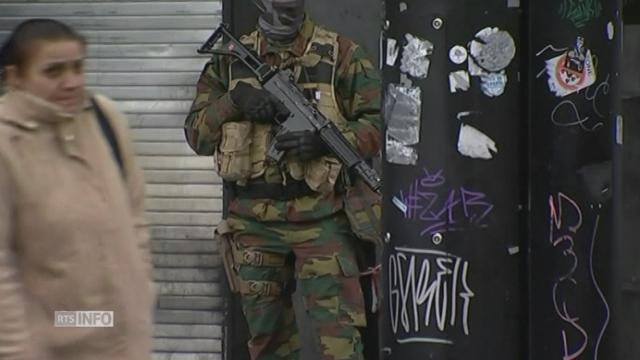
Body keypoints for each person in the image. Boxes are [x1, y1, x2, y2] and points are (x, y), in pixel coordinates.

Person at [184, 1, 382, 359]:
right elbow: (197, 136)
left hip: (323, 220)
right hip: (254, 224)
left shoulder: (341, 53)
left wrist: (325, 141)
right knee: (268, 344)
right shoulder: (230, 59)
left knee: (341, 344)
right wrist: (235, 100)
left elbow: (378, 126)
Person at [0, 19, 154, 360]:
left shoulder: (104, 118)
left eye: (77, 67)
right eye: (53, 72)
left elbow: (135, 220)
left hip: (124, 342)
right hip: (50, 343)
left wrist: (140, 296)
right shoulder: (6, 144)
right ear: (15, 77)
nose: (72, 82)